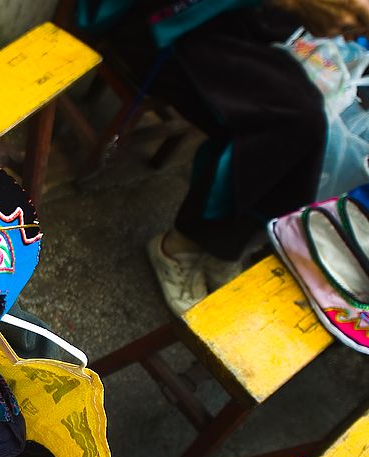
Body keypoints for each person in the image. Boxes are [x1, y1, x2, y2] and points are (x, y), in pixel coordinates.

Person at [78, 0, 369, 314]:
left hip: (237, 23)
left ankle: (224, 246)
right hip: (162, 22)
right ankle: (180, 246)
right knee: (285, 120)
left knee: (312, 121)